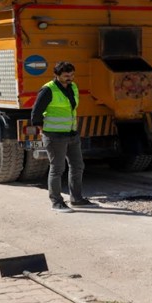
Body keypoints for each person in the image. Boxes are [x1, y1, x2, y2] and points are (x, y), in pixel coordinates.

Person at [30, 61, 95, 213]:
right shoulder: (48, 90)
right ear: (57, 75)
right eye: (66, 76)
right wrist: (44, 130)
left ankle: (77, 199)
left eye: (72, 75)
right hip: (54, 136)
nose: (69, 78)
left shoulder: (73, 87)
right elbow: (36, 113)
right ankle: (56, 202)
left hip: (72, 134)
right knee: (57, 168)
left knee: (78, 166)